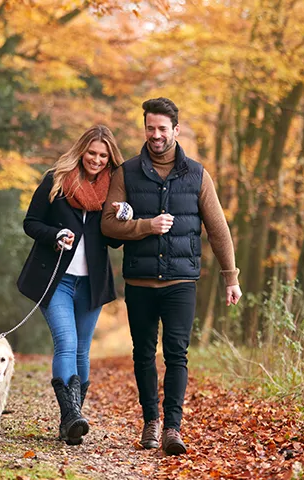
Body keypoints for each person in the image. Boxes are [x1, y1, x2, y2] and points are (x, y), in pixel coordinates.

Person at [100, 98, 242, 455]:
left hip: (181, 283)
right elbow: (107, 224)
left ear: (176, 130)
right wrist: (146, 226)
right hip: (140, 283)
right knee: (144, 354)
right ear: (144, 128)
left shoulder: (197, 175)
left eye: (163, 128)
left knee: (177, 354)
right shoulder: (127, 173)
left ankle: (173, 429)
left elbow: (218, 229)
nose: (156, 135)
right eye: (150, 128)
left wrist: (231, 277)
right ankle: (151, 421)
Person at [17, 124, 125, 445]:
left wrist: (121, 217)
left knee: (82, 349)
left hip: (91, 284)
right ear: (81, 151)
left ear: (109, 158)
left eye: (103, 156)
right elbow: (31, 222)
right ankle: (70, 417)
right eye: (92, 153)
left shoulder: (113, 191)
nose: (96, 160)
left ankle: (72, 420)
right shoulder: (57, 180)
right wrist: (55, 235)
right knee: (66, 342)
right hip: (57, 280)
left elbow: (115, 243)